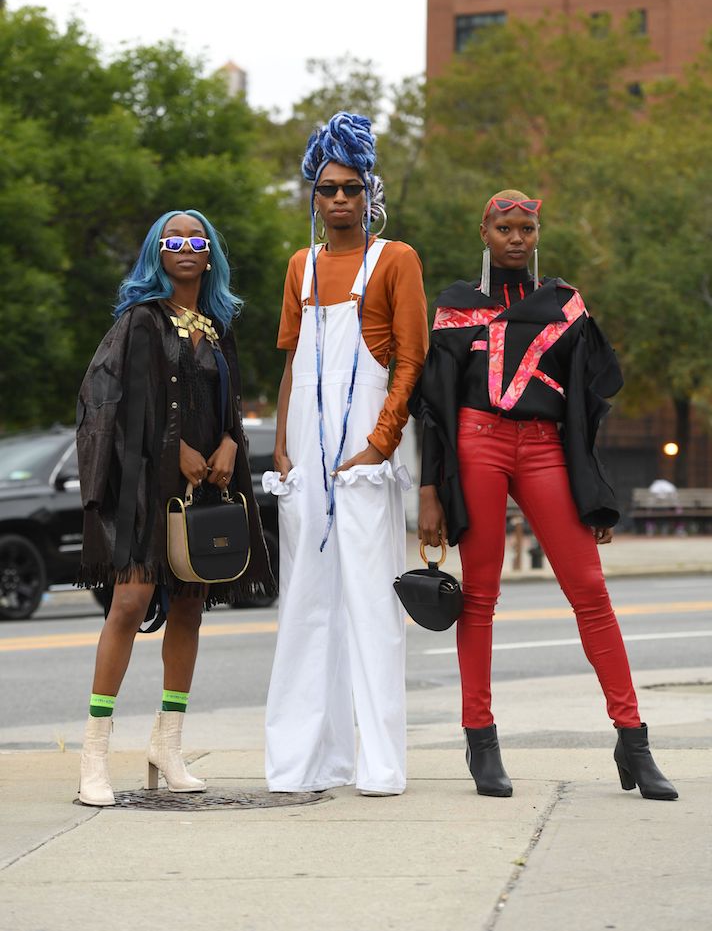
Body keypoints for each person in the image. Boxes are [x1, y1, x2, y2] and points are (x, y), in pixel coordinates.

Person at [410, 190, 677, 801]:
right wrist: (430, 491)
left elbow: (589, 403)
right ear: (485, 231)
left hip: (545, 447)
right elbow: (435, 408)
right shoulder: (454, 306)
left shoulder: (565, 303)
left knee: (590, 589)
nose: (516, 239)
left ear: (537, 233)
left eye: (526, 229)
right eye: (504, 228)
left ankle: (633, 738)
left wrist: (595, 492)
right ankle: (480, 739)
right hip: (476, 441)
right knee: (479, 595)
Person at [75, 209, 275, 806]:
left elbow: (230, 402)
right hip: (143, 488)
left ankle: (168, 743)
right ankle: (94, 757)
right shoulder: (138, 322)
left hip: (203, 489)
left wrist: (230, 443)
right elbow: (110, 405)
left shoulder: (217, 326)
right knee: (129, 603)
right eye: (173, 240)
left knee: (190, 605)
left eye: (197, 240)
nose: (185, 248)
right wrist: (177, 450)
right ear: (157, 254)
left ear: (210, 253)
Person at [263, 112, 428, 795]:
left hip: (365, 454)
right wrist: (279, 448)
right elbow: (292, 366)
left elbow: (412, 358)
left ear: (370, 194)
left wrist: (379, 445)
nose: (338, 199)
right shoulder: (299, 267)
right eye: (327, 188)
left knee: (368, 604)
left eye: (351, 188)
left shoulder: (396, 259)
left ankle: (380, 764)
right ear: (313, 194)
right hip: (304, 458)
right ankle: (306, 760)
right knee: (304, 606)